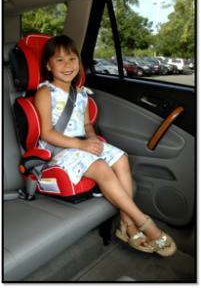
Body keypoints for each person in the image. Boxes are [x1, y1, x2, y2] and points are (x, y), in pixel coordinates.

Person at [34, 35, 177, 257]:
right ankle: (142, 223)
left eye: (72, 58)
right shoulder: (45, 92)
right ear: (48, 65)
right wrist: (80, 145)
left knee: (121, 159)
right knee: (101, 167)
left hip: (80, 145)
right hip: (59, 150)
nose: (67, 65)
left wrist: (91, 138)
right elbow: (47, 133)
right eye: (59, 60)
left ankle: (125, 224)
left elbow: (87, 124)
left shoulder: (81, 93)